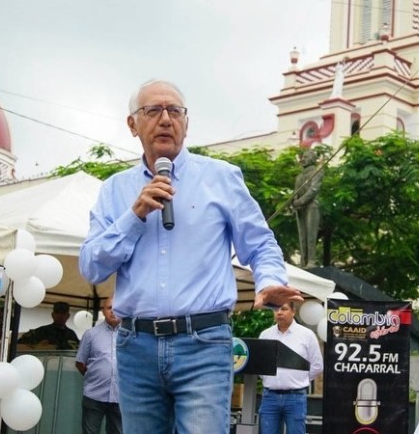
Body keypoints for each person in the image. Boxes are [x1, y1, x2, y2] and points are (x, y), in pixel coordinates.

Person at [79, 79, 303, 434]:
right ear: (132, 124)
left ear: (187, 121)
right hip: (136, 347)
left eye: (175, 111)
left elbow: (260, 244)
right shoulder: (115, 190)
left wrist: (270, 281)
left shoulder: (221, 177)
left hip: (204, 343)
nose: (166, 119)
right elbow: (92, 265)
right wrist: (134, 215)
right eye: (153, 110)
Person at [258, 302, 323, 434]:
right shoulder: (265, 335)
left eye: (284, 309)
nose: (279, 312)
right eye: (276, 309)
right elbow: (260, 365)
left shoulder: (307, 335)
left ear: (293, 311)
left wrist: (300, 379)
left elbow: (317, 366)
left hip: (295, 397)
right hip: (269, 396)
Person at [75, 297, 122, 434]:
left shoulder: (129, 335)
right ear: (103, 311)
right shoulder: (91, 334)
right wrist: (95, 376)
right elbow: (80, 363)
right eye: (109, 308)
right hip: (94, 395)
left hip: (120, 396)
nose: (113, 311)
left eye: (116, 307)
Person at [293, 148, 323, 268]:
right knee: (302, 235)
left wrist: (300, 201)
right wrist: (295, 201)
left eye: (305, 157)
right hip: (300, 208)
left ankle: (311, 261)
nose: (303, 159)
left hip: (312, 206)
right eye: (303, 157)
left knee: (311, 235)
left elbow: (313, 190)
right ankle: (303, 260)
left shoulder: (317, 172)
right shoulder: (299, 177)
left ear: (312, 158)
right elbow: (296, 192)